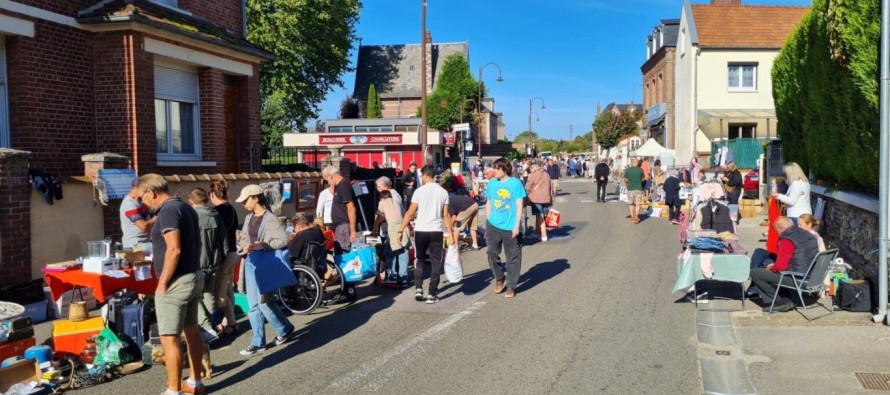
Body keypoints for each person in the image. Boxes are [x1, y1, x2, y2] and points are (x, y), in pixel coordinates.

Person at [136, 174, 206, 395]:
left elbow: (174, 249)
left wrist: (163, 282)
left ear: (151, 192)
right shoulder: (185, 207)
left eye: (141, 197)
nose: (142, 202)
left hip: (176, 282)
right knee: (192, 332)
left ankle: (173, 390)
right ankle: (195, 383)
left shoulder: (166, 211)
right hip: (193, 275)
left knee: (169, 338)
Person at [235, 184, 296, 357]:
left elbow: (283, 240)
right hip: (250, 263)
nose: (243, 203)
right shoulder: (249, 218)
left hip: (265, 264)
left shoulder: (270, 219)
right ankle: (258, 342)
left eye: (245, 200)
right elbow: (244, 239)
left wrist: (261, 245)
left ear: (255, 198)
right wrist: (243, 247)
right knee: (254, 306)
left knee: (264, 302)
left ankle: (284, 329)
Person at [397, 165, 452, 304]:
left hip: (421, 229)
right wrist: (450, 233)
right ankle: (432, 294)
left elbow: (410, 212)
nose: (421, 178)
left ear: (426, 175)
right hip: (436, 230)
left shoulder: (419, 191)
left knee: (419, 260)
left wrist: (401, 229)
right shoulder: (443, 192)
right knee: (436, 262)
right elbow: (445, 215)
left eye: (422, 176)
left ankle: (418, 289)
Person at [749, 216, 820, 311]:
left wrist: (772, 267)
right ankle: (783, 296)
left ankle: (780, 302)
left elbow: (780, 267)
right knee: (763, 255)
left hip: (799, 279)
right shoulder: (807, 234)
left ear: (781, 229)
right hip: (813, 277)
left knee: (755, 273)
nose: (777, 234)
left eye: (777, 231)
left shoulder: (787, 239)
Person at [187, 187, 227, 344]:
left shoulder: (192, 217)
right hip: (214, 263)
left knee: (193, 297)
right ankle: (208, 327)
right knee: (209, 295)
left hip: (197, 263)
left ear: (191, 201)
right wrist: (220, 258)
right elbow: (224, 241)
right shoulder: (215, 215)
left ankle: (206, 329)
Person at [485, 158, 526, 298]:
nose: (494, 171)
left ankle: (511, 285)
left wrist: (517, 225)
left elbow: (520, 205)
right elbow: (489, 202)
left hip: (510, 225)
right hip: (493, 224)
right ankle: (499, 277)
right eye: (493, 168)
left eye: (496, 168)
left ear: (504, 169)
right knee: (491, 252)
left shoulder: (515, 183)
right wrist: (489, 219)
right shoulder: (491, 183)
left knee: (513, 257)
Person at [208, 180, 240, 337]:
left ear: (212, 194)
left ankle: (231, 323)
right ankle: (230, 321)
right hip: (234, 252)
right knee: (228, 290)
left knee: (220, 292)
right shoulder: (231, 208)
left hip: (224, 255)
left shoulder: (217, 211)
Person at [375, 177, 411, 285]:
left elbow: (380, 216)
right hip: (402, 226)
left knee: (391, 252)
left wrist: (375, 228)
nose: (378, 189)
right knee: (403, 251)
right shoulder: (395, 195)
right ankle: (403, 276)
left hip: (392, 228)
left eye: (379, 187)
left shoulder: (387, 198)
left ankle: (393, 275)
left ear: (386, 186)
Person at [323, 166, 357, 254]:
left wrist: (352, 231)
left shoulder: (343, 186)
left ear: (330, 176)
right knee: (339, 253)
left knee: (343, 254)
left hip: (343, 226)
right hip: (340, 227)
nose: (329, 183)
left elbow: (351, 208)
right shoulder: (339, 186)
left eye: (328, 180)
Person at [120, 179, 154, 249]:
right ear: (136, 188)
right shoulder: (129, 205)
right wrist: (158, 215)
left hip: (144, 244)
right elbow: (144, 227)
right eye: (144, 190)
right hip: (134, 246)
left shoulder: (138, 201)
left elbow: (146, 217)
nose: (146, 192)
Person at [524, 163, 553, 241]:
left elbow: (527, 187)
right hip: (546, 198)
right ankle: (537, 233)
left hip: (536, 198)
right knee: (540, 216)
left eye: (530, 169)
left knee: (540, 216)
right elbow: (550, 187)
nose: (530, 171)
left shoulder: (533, 175)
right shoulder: (547, 175)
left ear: (534, 168)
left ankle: (544, 235)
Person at [624, 158, 645, 224]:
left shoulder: (628, 170)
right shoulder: (640, 170)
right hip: (638, 188)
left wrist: (627, 184)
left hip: (630, 188)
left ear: (631, 163)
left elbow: (626, 180)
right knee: (638, 204)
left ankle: (632, 216)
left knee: (631, 204)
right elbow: (643, 179)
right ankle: (636, 215)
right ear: (637, 163)